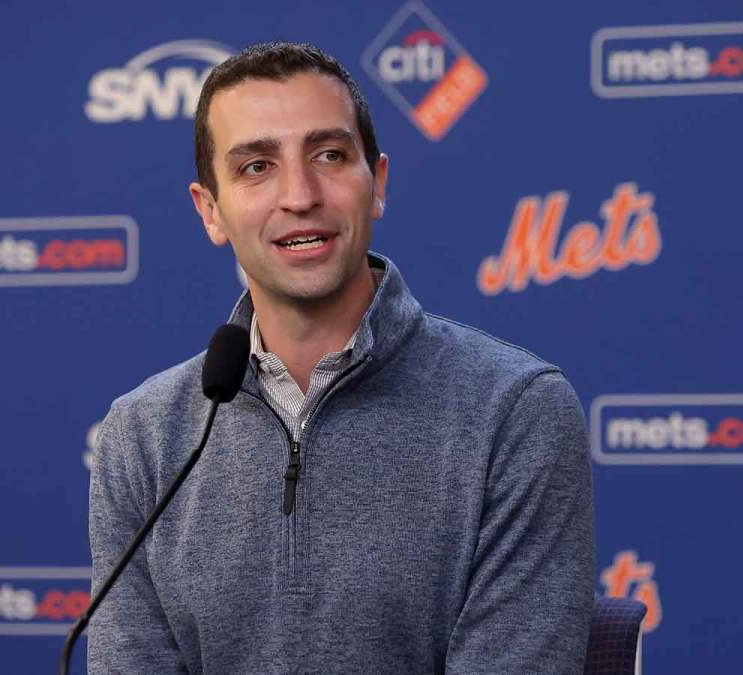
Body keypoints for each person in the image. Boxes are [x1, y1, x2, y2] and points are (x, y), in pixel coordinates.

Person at [88, 42, 594, 674]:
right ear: (210, 211)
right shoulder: (138, 436)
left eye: (329, 155)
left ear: (376, 184)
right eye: (256, 167)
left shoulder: (516, 411)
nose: (300, 195)